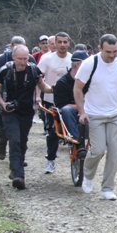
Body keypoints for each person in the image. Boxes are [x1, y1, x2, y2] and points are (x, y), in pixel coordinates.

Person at [73, 34, 117, 200]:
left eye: (115, 51)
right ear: (99, 48)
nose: (112, 55)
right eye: (108, 51)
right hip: (94, 114)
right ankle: (87, 176)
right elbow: (77, 88)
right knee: (98, 150)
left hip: (116, 113)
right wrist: (82, 112)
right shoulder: (89, 64)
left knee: (115, 153)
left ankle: (107, 188)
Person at [0, 45, 54, 190]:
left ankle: (15, 168)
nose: (22, 62)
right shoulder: (5, 70)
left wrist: (55, 88)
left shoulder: (33, 70)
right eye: (20, 59)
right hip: (10, 111)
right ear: (13, 57)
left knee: (22, 142)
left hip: (27, 111)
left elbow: (43, 86)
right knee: (14, 140)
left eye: (25, 58)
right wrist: (3, 104)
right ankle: (19, 176)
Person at [0, 36, 36, 161]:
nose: (23, 61)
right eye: (15, 45)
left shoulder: (31, 60)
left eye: (25, 58)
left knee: (19, 135)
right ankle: (2, 143)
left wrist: (37, 97)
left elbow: (36, 77)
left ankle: (18, 159)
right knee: (4, 127)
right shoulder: (3, 58)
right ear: (11, 48)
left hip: (23, 96)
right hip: (5, 93)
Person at [38, 31, 72, 174]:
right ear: (55, 43)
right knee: (52, 131)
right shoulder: (47, 59)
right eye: (60, 42)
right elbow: (38, 78)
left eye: (65, 42)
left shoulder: (72, 59)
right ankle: (51, 160)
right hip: (51, 100)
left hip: (69, 101)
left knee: (76, 128)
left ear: (69, 43)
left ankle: (78, 156)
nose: (62, 45)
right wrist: (40, 94)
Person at [53, 50, 88, 140]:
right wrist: (82, 107)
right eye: (87, 64)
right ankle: (76, 140)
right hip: (69, 115)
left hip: (88, 111)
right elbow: (61, 105)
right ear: (78, 65)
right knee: (66, 110)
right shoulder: (62, 83)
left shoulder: (90, 81)